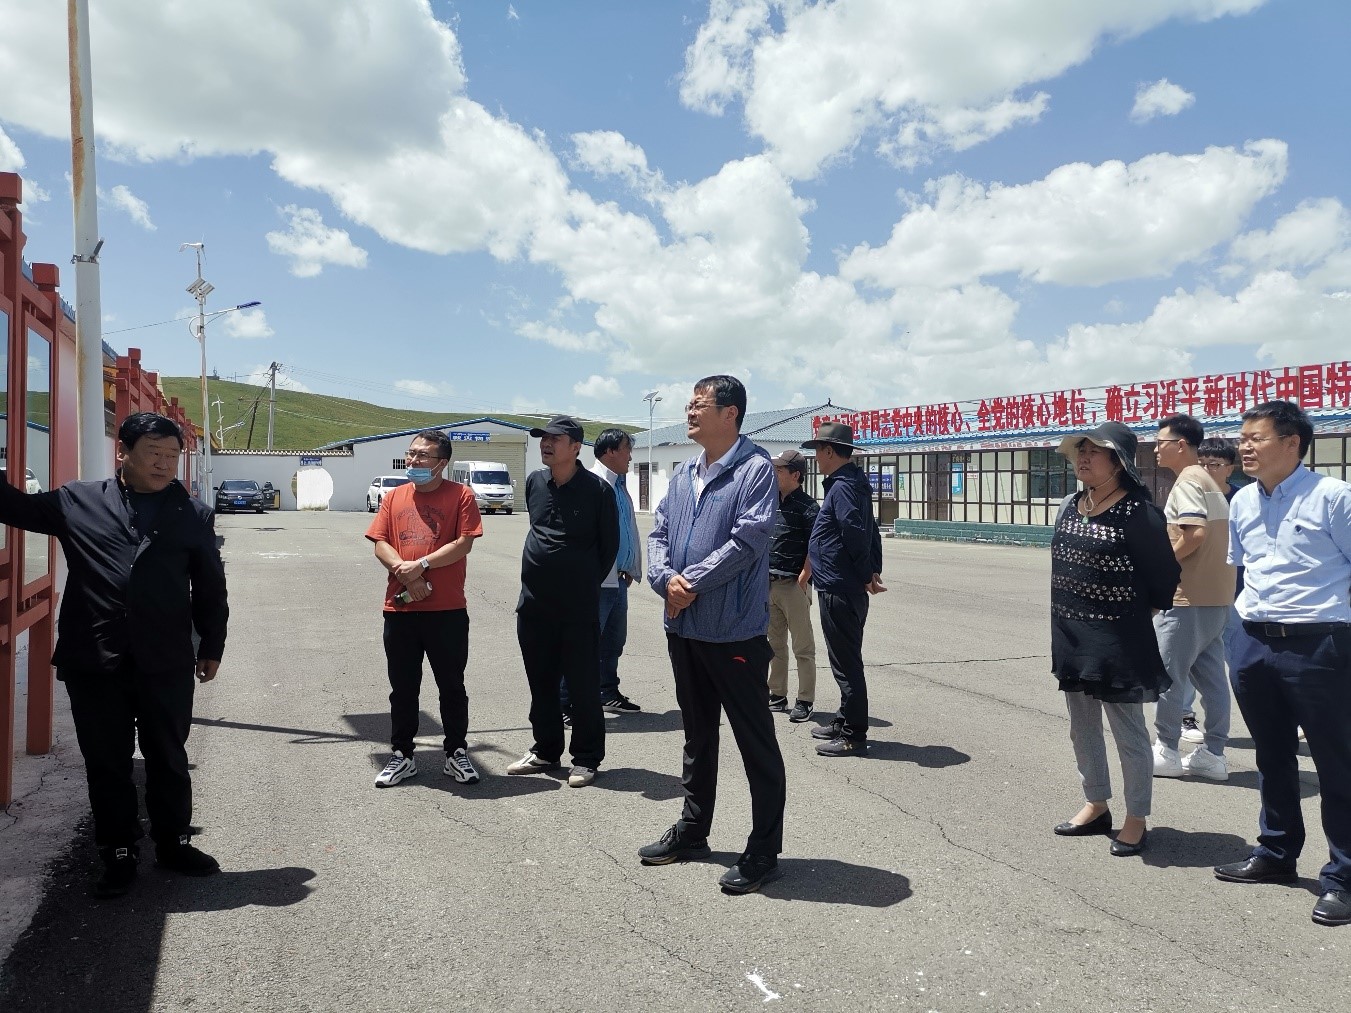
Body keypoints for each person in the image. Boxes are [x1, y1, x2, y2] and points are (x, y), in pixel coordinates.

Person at [0, 412, 228, 897]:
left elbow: (210, 586)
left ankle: (173, 843)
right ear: (122, 453)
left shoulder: (194, 514)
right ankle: (118, 850)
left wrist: (212, 644)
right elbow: (13, 507)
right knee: (106, 761)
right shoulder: (77, 501)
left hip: (165, 660)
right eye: (154, 454)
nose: (164, 464)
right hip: (95, 658)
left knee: (168, 756)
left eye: (172, 455)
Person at [640, 375, 786, 894]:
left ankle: (764, 851)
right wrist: (665, 580)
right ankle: (693, 831)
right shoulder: (684, 473)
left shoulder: (755, 470)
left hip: (734, 633)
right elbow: (659, 533)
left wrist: (692, 582)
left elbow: (748, 541)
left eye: (699, 405)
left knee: (755, 742)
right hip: (684, 628)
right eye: (689, 404)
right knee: (697, 736)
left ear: (731, 414)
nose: (690, 412)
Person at [1213, 400, 1351, 928]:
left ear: (1292, 443)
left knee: (1336, 763)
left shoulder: (1333, 497)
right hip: (1253, 643)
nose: (1244, 447)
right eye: (1242, 437)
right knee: (1272, 757)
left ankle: (1344, 878)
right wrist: (1239, 636)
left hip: (1319, 646)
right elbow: (1244, 570)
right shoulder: (1243, 500)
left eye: (1256, 438)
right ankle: (1275, 852)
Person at [1049, 422, 1179, 858]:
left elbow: (1165, 578)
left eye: (1094, 451)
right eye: (1080, 451)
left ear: (1119, 462)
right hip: (1071, 635)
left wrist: (1131, 616)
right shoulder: (1070, 505)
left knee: (1128, 732)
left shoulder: (1140, 513)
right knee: (1081, 726)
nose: (1083, 458)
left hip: (1120, 640)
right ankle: (1096, 803)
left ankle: (1136, 817)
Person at [366, 430, 483, 788]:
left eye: (422, 456)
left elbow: (464, 543)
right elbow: (380, 543)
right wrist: (405, 572)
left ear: (441, 463)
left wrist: (422, 566)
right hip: (400, 609)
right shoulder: (394, 496)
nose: (413, 461)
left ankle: (456, 753)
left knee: (452, 687)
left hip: (447, 610)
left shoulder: (461, 496)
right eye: (411, 453)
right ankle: (402, 755)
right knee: (403, 688)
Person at [509, 415, 618, 788]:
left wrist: (578, 580)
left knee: (583, 685)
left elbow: (608, 548)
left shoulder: (598, 491)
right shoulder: (535, 482)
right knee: (541, 683)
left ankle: (586, 758)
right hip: (533, 605)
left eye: (555, 438)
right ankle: (545, 750)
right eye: (543, 438)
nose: (546, 443)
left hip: (577, 608)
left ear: (575, 447)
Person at [1150, 415, 1236, 781]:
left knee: (1170, 676)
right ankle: (1213, 753)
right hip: (1217, 596)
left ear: (1181, 445)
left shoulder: (1187, 481)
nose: (1156, 449)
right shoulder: (1209, 482)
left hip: (1187, 597)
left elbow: (1194, 534)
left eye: (1161, 443)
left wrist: (1159, 568)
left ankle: (1167, 749)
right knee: (1212, 679)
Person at [801, 422, 885, 757]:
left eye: (818, 451)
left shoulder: (844, 487)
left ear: (829, 451)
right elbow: (871, 530)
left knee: (846, 664)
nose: (816, 458)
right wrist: (872, 569)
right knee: (844, 659)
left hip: (840, 586)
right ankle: (844, 719)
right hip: (841, 584)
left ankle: (853, 735)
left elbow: (855, 532)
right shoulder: (850, 484)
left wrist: (866, 574)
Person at [560, 429, 642, 724]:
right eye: (626, 449)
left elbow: (626, 528)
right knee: (583, 644)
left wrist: (630, 566)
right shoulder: (591, 484)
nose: (630, 456)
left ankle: (606, 691)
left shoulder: (619, 485)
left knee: (613, 642)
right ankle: (564, 702)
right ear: (610, 452)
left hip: (618, 578)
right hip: (595, 582)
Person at [1180, 437, 1244, 742]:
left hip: (1237, 594)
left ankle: (1275, 716)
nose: (1206, 470)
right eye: (1201, 464)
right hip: (1195, 593)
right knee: (1187, 658)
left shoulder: (1244, 500)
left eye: (1214, 465)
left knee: (1242, 659)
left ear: (1230, 468)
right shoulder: (1187, 498)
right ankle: (1185, 717)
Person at [766, 449, 819, 723]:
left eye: (779, 470)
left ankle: (805, 700)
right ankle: (777, 694)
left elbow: (816, 547)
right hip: (769, 584)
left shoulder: (809, 508)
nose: (775, 474)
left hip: (793, 586)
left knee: (802, 647)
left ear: (795, 475)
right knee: (774, 644)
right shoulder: (770, 502)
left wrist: (803, 579)